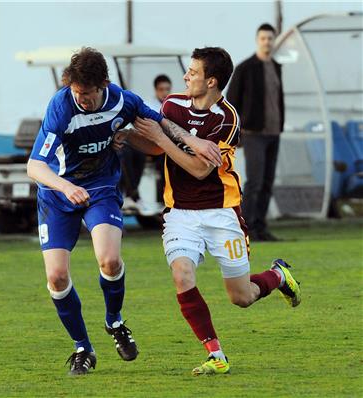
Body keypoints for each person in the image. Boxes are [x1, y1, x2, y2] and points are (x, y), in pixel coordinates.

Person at [26, 47, 221, 376]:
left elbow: (161, 123)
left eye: (86, 95)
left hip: (101, 188)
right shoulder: (61, 106)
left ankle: (114, 321)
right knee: (57, 277)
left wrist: (194, 141)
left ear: (103, 84)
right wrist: (65, 187)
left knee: (110, 259)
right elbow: (34, 166)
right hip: (56, 194)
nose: (82, 100)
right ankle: (83, 348)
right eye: (77, 93)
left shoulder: (123, 101)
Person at [122, 46, 300, 375]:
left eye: (193, 72)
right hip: (180, 212)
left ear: (212, 81)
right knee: (181, 275)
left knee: (241, 297)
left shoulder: (228, 118)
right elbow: (155, 144)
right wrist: (126, 136)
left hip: (221, 213)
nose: (186, 76)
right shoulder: (172, 105)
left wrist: (161, 139)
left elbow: (199, 169)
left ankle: (277, 275)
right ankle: (216, 355)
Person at [227, 23, 284, 242]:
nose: (267, 42)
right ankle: (246, 227)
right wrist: (236, 132)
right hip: (253, 133)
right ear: (257, 40)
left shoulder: (277, 67)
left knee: (268, 181)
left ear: (274, 40)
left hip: (274, 132)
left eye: (270, 38)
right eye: (263, 38)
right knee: (255, 181)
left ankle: (261, 226)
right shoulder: (245, 68)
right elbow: (231, 101)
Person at [120, 74, 173, 214]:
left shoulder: (174, 106)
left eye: (167, 89)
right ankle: (132, 195)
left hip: (165, 145)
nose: (165, 92)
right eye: (161, 89)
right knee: (133, 153)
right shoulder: (148, 106)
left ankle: (167, 200)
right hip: (152, 144)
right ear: (156, 90)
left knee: (169, 156)